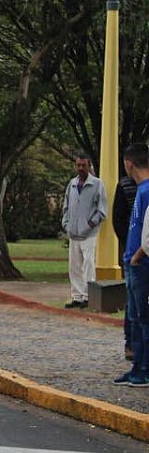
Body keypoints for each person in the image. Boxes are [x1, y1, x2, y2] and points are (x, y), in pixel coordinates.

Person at [115, 142, 149, 387]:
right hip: (132, 260)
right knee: (135, 318)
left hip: (140, 262)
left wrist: (137, 254)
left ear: (129, 163)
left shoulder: (146, 190)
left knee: (142, 317)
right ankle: (137, 365)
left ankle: (144, 368)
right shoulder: (140, 189)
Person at [62, 153, 107, 309]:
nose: (81, 168)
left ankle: (88, 296)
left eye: (84, 165)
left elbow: (102, 210)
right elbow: (66, 207)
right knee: (74, 267)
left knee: (88, 265)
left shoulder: (97, 184)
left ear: (89, 166)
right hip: (74, 233)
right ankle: (77, 296)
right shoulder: (72, 184)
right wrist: (66, 224)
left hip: (89, 234)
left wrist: (90, 223)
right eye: (78, 165)